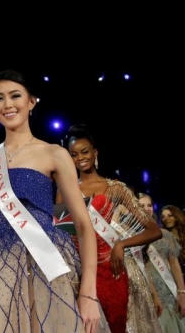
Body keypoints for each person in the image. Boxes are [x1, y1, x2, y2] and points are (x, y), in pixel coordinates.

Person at [0, 70, 102, 333]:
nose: (7, 104)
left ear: (31, 102)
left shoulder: (54, 154)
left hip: (44, 269)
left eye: (15, 96)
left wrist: (88, 292)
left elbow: (84, 227)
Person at [62, 125, 162, 333]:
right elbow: (64, 233)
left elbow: (154, 230)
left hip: (111, 270)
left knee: (116, 325)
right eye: (73, 154)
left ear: (95, 153)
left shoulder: (116, 188)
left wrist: (121, 244)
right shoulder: (65, 190)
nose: (80, 158)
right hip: (80, 272)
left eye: (84, 151)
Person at [139, 193, 185, 332]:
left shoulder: (165, 234)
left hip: (171, 292)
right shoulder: (132, 236)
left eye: (149, 205)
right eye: (141, 205)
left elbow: (174, 264)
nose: (147, 208)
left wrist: (182, 292)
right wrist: (154, 295)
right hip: (150, 294)